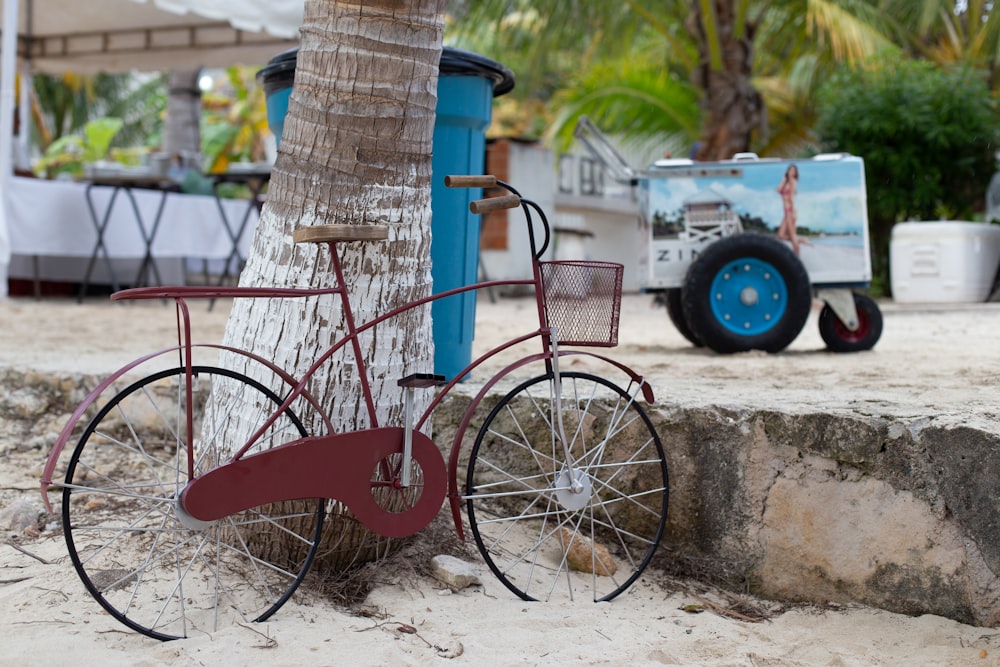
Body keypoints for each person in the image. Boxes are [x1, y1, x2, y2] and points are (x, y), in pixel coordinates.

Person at [776, 164, 801, 254]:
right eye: (790, 170)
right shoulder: (786, 181)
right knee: (781, 235)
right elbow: (778, 190)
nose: (791, 172)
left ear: (795, 173)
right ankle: (801, 240)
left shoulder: (793, 182)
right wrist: (783, 179)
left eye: (793, 171)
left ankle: (797, 254)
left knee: (792, 235)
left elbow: (791, 197)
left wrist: (793, 211)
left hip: (790, 210)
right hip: (786, 211)